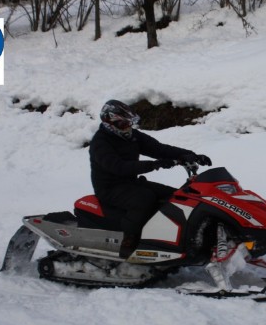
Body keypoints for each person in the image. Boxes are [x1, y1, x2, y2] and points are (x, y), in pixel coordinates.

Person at [89, 100, 211, 258]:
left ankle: (168, 239)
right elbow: (119, 167)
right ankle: (128, 241)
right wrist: (154, 165)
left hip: (130, 183)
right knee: (144, 199)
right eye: (122, 123)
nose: (127, 127)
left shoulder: (132, 136)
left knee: (177, 196)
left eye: (129, 123)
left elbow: (159, 149)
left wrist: (191, 155)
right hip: (109, 188)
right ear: (109, 123)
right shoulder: (100, 143)